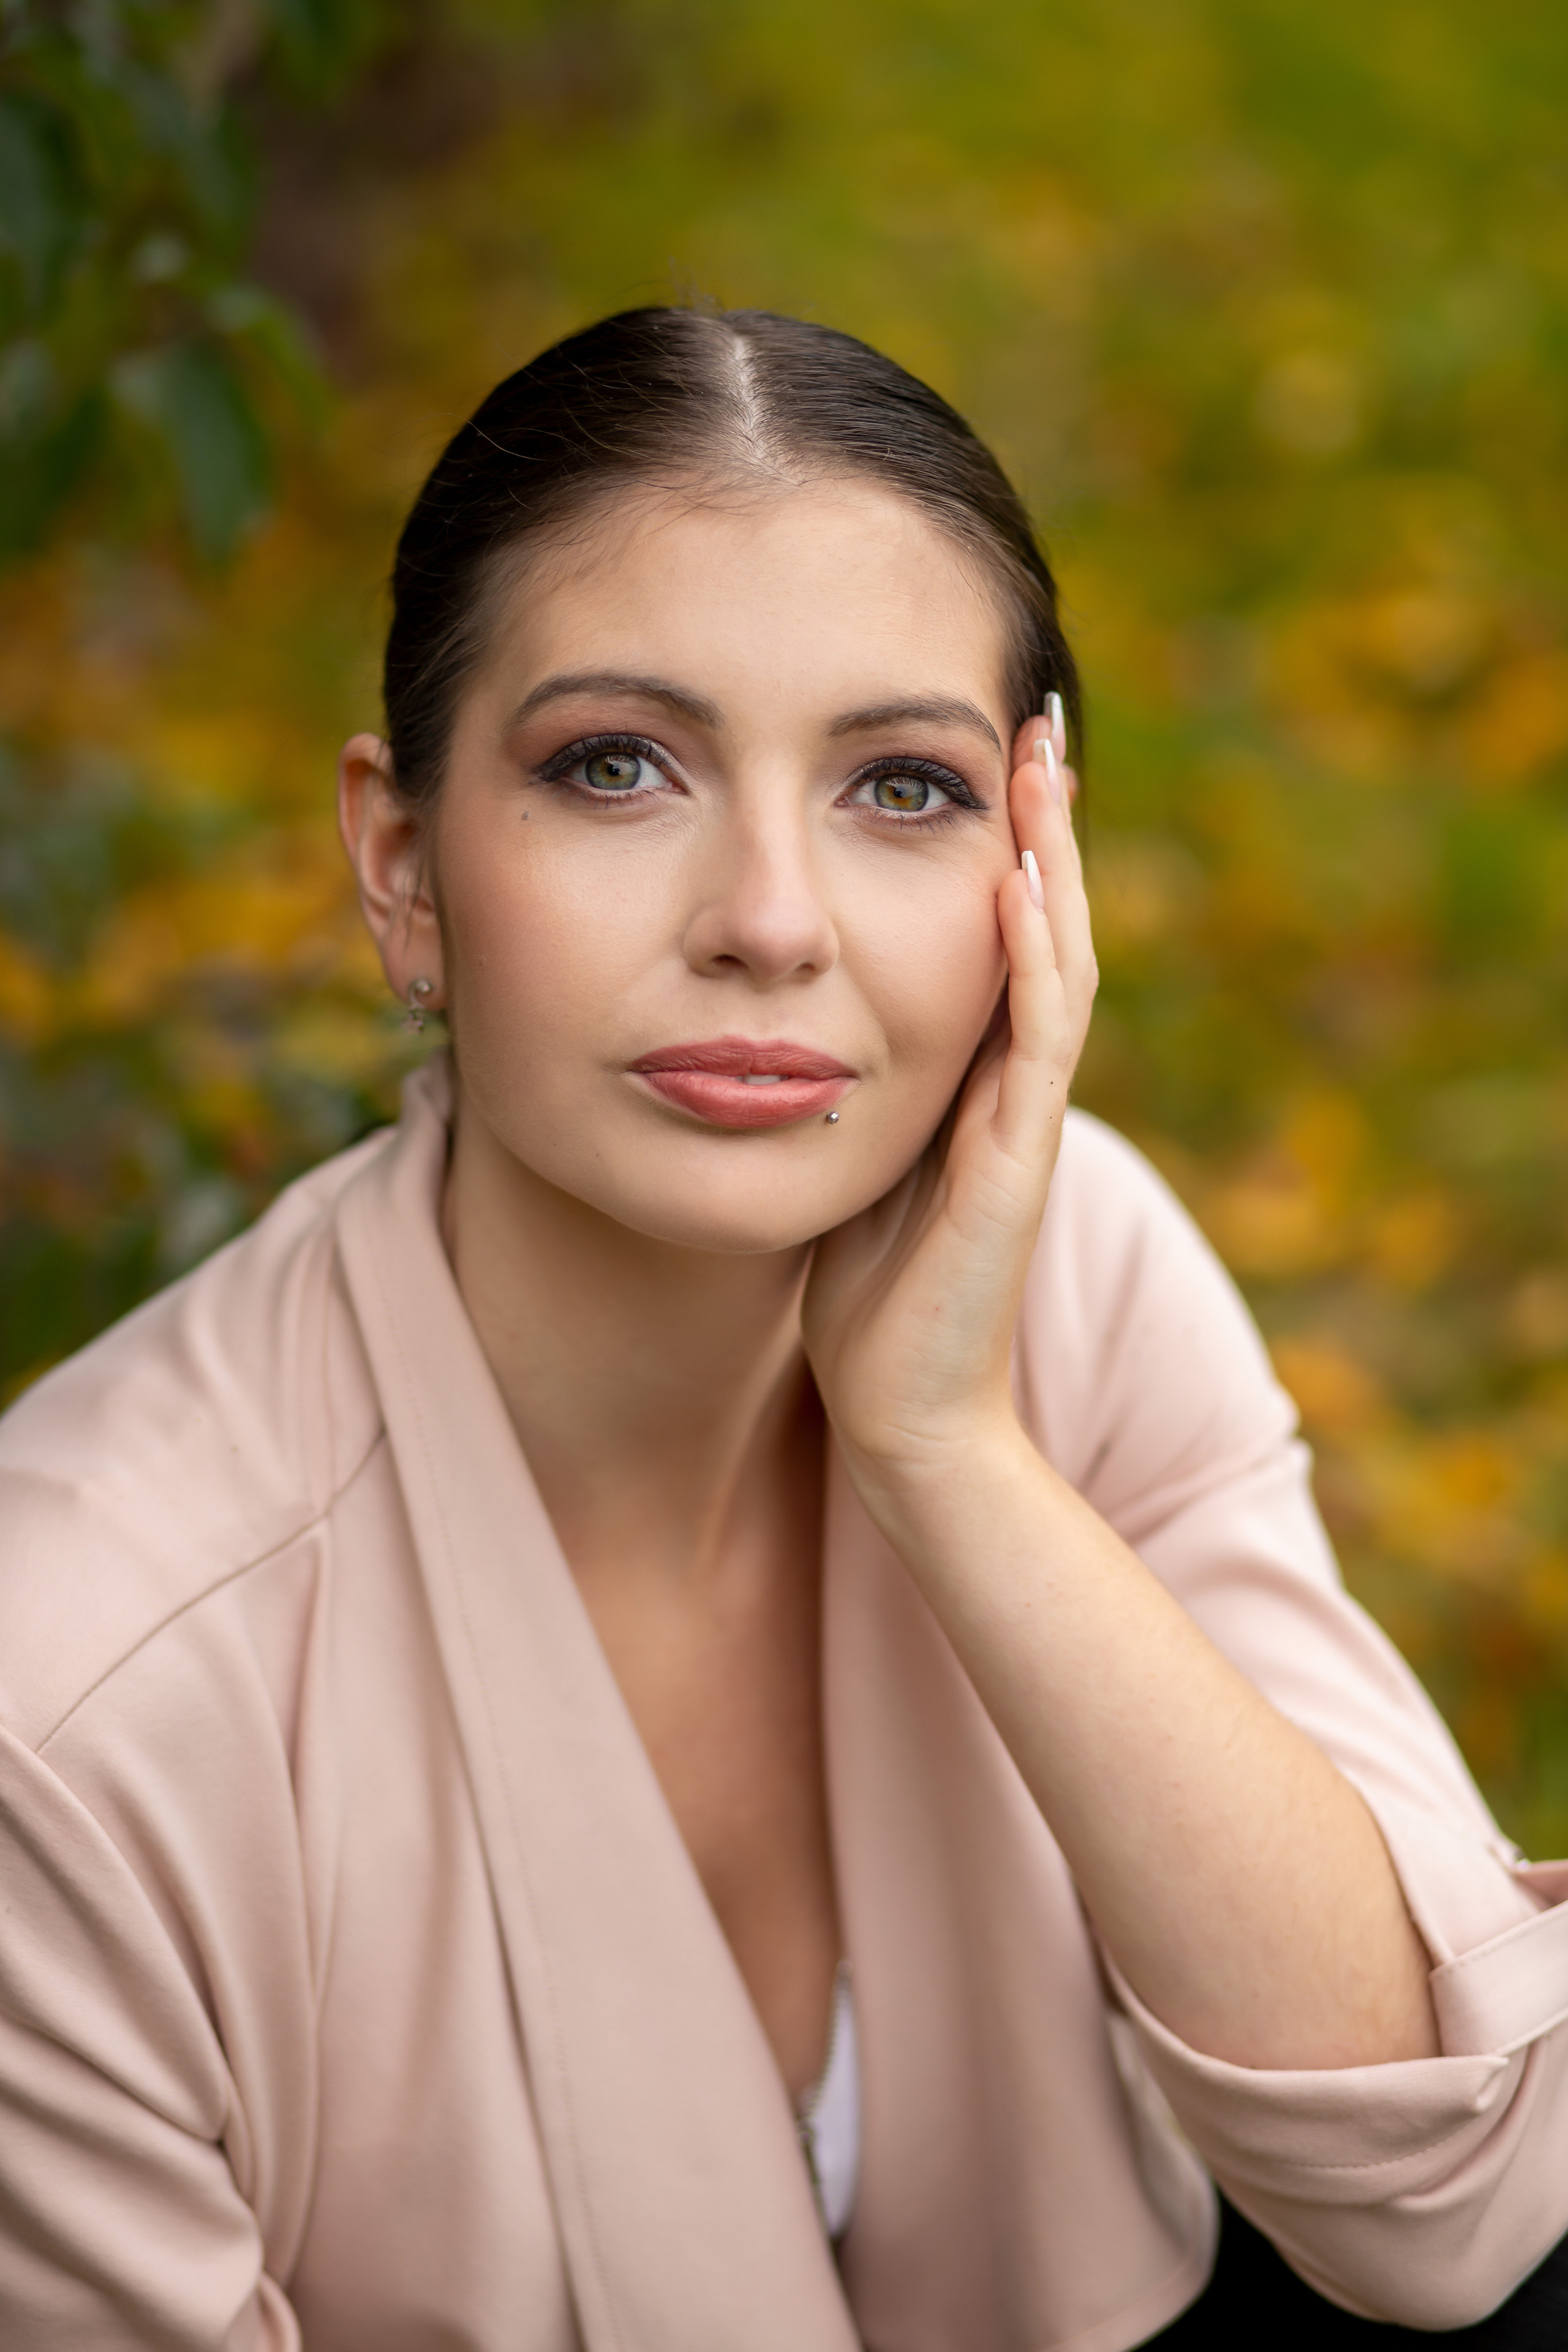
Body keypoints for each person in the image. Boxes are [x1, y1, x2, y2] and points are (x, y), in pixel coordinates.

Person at [1, 307, 1566, 2352]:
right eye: (617, 766)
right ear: (401, 869)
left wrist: (950, 1451)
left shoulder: (1072, 1270)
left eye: (900, 788)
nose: (770, 915)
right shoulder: (74, 1713)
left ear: (1038, 869)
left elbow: (1462, 2211)